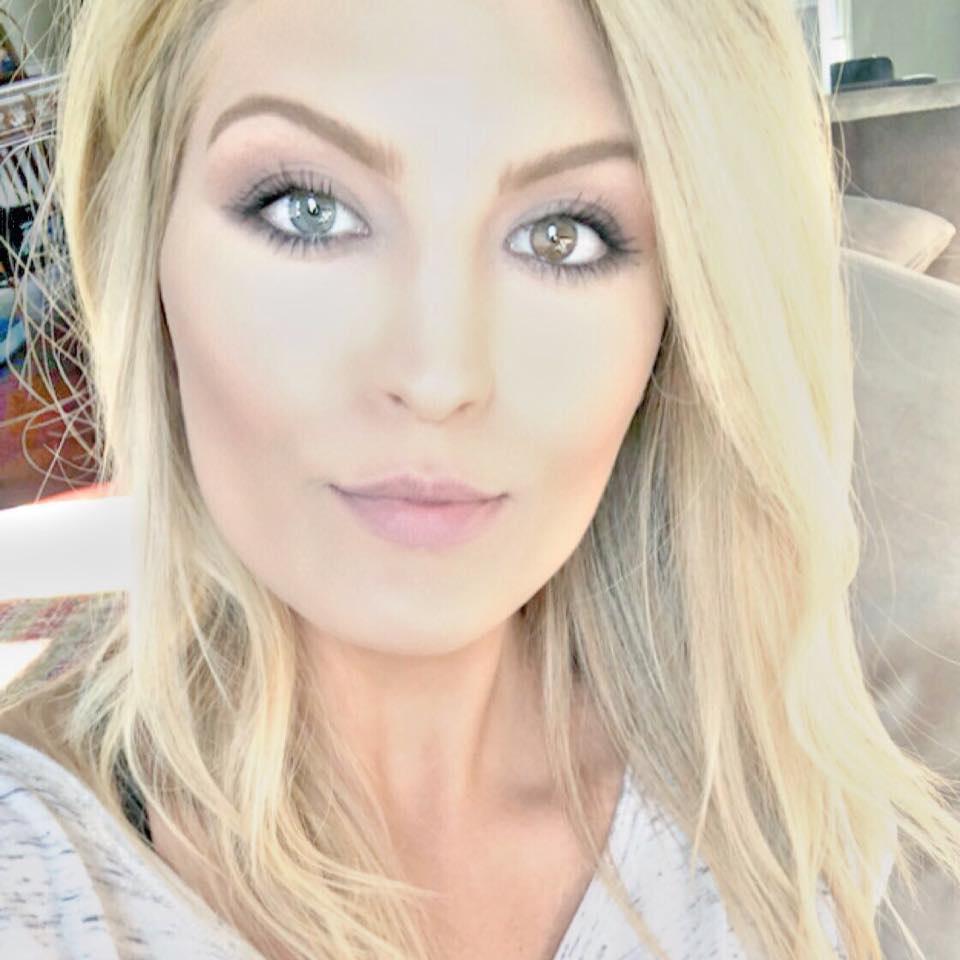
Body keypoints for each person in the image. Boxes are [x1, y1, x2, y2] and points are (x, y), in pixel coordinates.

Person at [0, 1, 957, 958]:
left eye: (563, 235)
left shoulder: (778, 836)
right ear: (141, 247)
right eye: (308, 210)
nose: (439, 377)